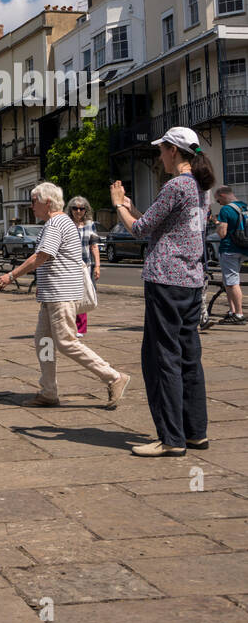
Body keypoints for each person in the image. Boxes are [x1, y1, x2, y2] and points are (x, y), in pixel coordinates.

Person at [110, 126, 215, 456]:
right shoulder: (200, 187)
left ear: (173, 150)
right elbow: (163, 225)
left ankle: (171, 438)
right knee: (189, 358)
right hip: (191, 280)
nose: (159, 156)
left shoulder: (176, 185)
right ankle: (195, 432)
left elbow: (140, 231)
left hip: (165, 280)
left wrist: (118, 205)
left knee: (161, 359)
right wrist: (132, 206)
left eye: (162, 150)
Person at [0, 182, 130, 409]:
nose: (31, 206)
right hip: (53, 294)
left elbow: (41, 256)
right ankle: (49, 391)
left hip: (61, 294)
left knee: (67, 342)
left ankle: (113, 377)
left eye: (34, 201)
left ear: (47, 202)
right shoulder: (55, 222)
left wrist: (12, 275)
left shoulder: (56, 223)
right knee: (44, 341)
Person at [68, 196, 101, 337]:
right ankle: (69, 326)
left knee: (82, 295)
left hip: (84, 265)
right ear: (71, 209)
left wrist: (97, 266)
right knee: (69, 296)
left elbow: (94, 246)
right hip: (68, 265)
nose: (78, 211)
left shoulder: (90, 224)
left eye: (81, 208)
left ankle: (80, 328)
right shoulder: (66, 223)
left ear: (85, 210)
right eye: (75, 208)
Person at [214, 185, 248, 323]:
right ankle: (232, 311)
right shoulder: (244, 206)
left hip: (229, 249)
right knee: (229, 281)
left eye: (218, 200)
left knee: (233, 282)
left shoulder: (226, 209)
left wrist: (217, 223)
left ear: (222, 195)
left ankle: (239, 314)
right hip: (244, 248)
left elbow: (222, 234)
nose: (219, 203)